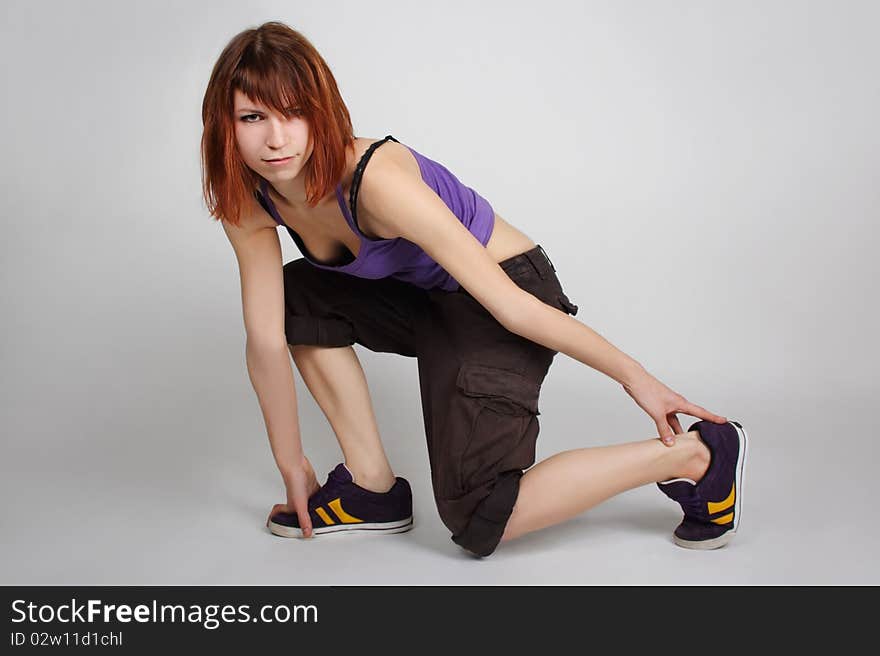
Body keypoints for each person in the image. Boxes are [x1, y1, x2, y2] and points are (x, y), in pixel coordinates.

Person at [200, 21, 749, 558]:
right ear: (226, 126)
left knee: (479, 513)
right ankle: (371, 488)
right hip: (427, 300)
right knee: (298, 294)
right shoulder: (248, 199)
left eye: (294, 115)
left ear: (323, 112)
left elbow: (512, 308)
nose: (276, 139)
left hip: (506, 294)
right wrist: (291, 462)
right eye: (253, 117)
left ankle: (699, 456)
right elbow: (267, 337)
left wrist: (638, 379)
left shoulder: (375, 181)